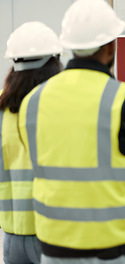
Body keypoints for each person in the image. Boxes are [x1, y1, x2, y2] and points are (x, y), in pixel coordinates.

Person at [17, 0, 125, 263]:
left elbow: (40, 162)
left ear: (70, 46)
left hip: (55, 248)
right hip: (116, 247)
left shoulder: (32, 102)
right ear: (111, 46)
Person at [0, 21, 62, 264]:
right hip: (52, 232)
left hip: (12, 232)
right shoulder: (58, 107)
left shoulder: (2, 110)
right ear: (53, 62)